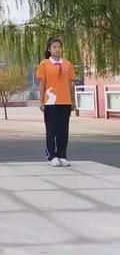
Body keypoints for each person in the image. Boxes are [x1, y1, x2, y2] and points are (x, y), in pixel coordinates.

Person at [37, 37, 77, 167]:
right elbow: (42, 84)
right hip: (50, 102)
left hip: (65, 101)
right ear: (49, 49)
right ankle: (51, 156)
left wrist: (72, 100)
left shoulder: (68, 64)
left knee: (63, 130)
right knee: (51, 130)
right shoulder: (44, 64)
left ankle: (62, 155)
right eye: (54, 47)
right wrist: (41, 101)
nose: (57, 49)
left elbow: (71, 84)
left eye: (59, 47)